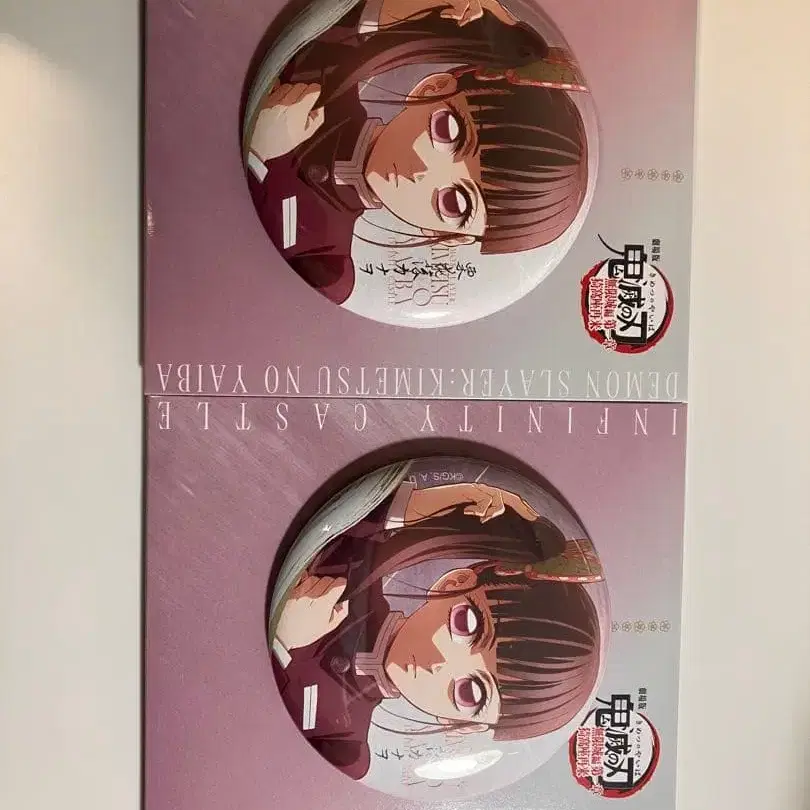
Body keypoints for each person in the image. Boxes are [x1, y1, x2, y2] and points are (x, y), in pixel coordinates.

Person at [246, 0, 590, 304]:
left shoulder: (328, 265)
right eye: (447, 131)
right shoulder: (328, 69)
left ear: (446, 237)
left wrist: (259, 152)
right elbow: (344, 22)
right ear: (432, 87)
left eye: (454, 202)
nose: (423, 171)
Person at [270, 478, 603, 780]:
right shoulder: (356, 565)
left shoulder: (346, 748)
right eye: (465, 624)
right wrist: (455, 497)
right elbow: (356, 514)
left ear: (463, 725)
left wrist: (285, 642)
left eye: (470, 692)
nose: (440, 664)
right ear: (454, 582)